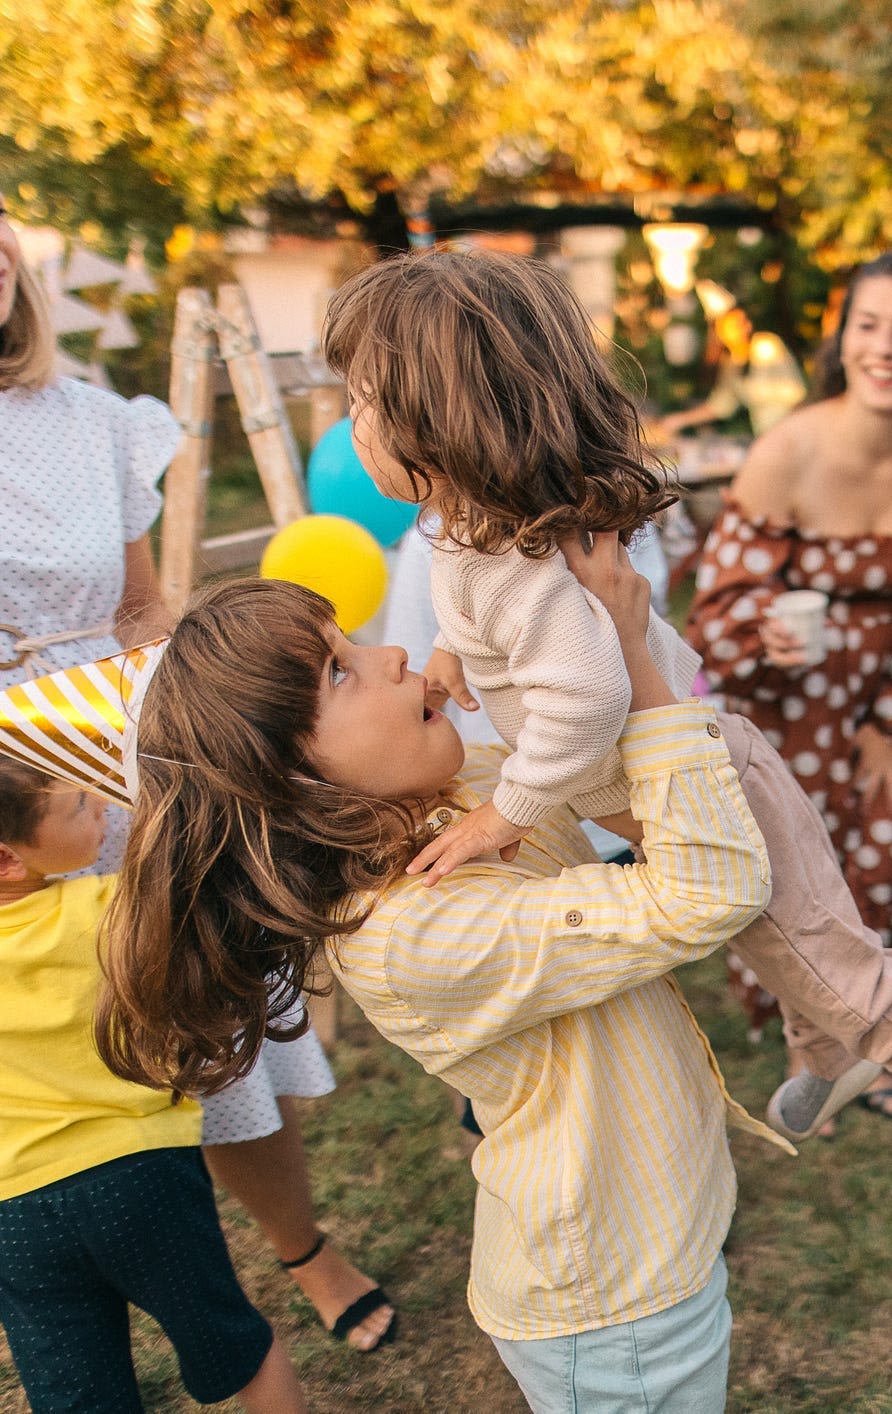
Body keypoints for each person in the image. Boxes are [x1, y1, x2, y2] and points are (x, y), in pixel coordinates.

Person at [320, 250, 892, 1205]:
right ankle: (834, 1056)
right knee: (779, 937)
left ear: (440, 416)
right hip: (652, 788)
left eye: (362, 399)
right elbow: (473, 612)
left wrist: (508, 815)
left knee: (821, 944)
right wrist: (452, 653)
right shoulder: (470, 529)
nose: (348, 422)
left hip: (704, 773)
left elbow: (586, 701)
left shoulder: (527, 566)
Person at [3, 555, 767, 1409]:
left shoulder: (458, 801)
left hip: (657, 1234)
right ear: (285, 783)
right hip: (615, 1298)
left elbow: (595, 761)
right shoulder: (412, 929)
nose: (394, 656)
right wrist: (630, 656)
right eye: (340, 669)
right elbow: (709, 889)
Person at [0, 196, 395, 1351]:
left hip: (115, 756)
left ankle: (300, 1252)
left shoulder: (91, 423)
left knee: (206, 1025)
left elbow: (136, 605)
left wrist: (183, 747)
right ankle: (67, 1292)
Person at [684, 250, 892, 1120]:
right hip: (782, 710)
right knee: (792, 880)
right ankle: (821, 1047)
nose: (885, 347)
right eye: (867, 326)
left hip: (889, 714)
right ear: (843, 341)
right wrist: (760, 630)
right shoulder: (787, 449)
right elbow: (718, 602)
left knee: (883, 863)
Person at [0, 756, 307, 1413]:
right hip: (139, 1179)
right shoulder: (105, 907)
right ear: (7, 859)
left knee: (76, 1395)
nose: (106, 809)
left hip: (13, 1212)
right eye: (82, 806)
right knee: (236, 1347)